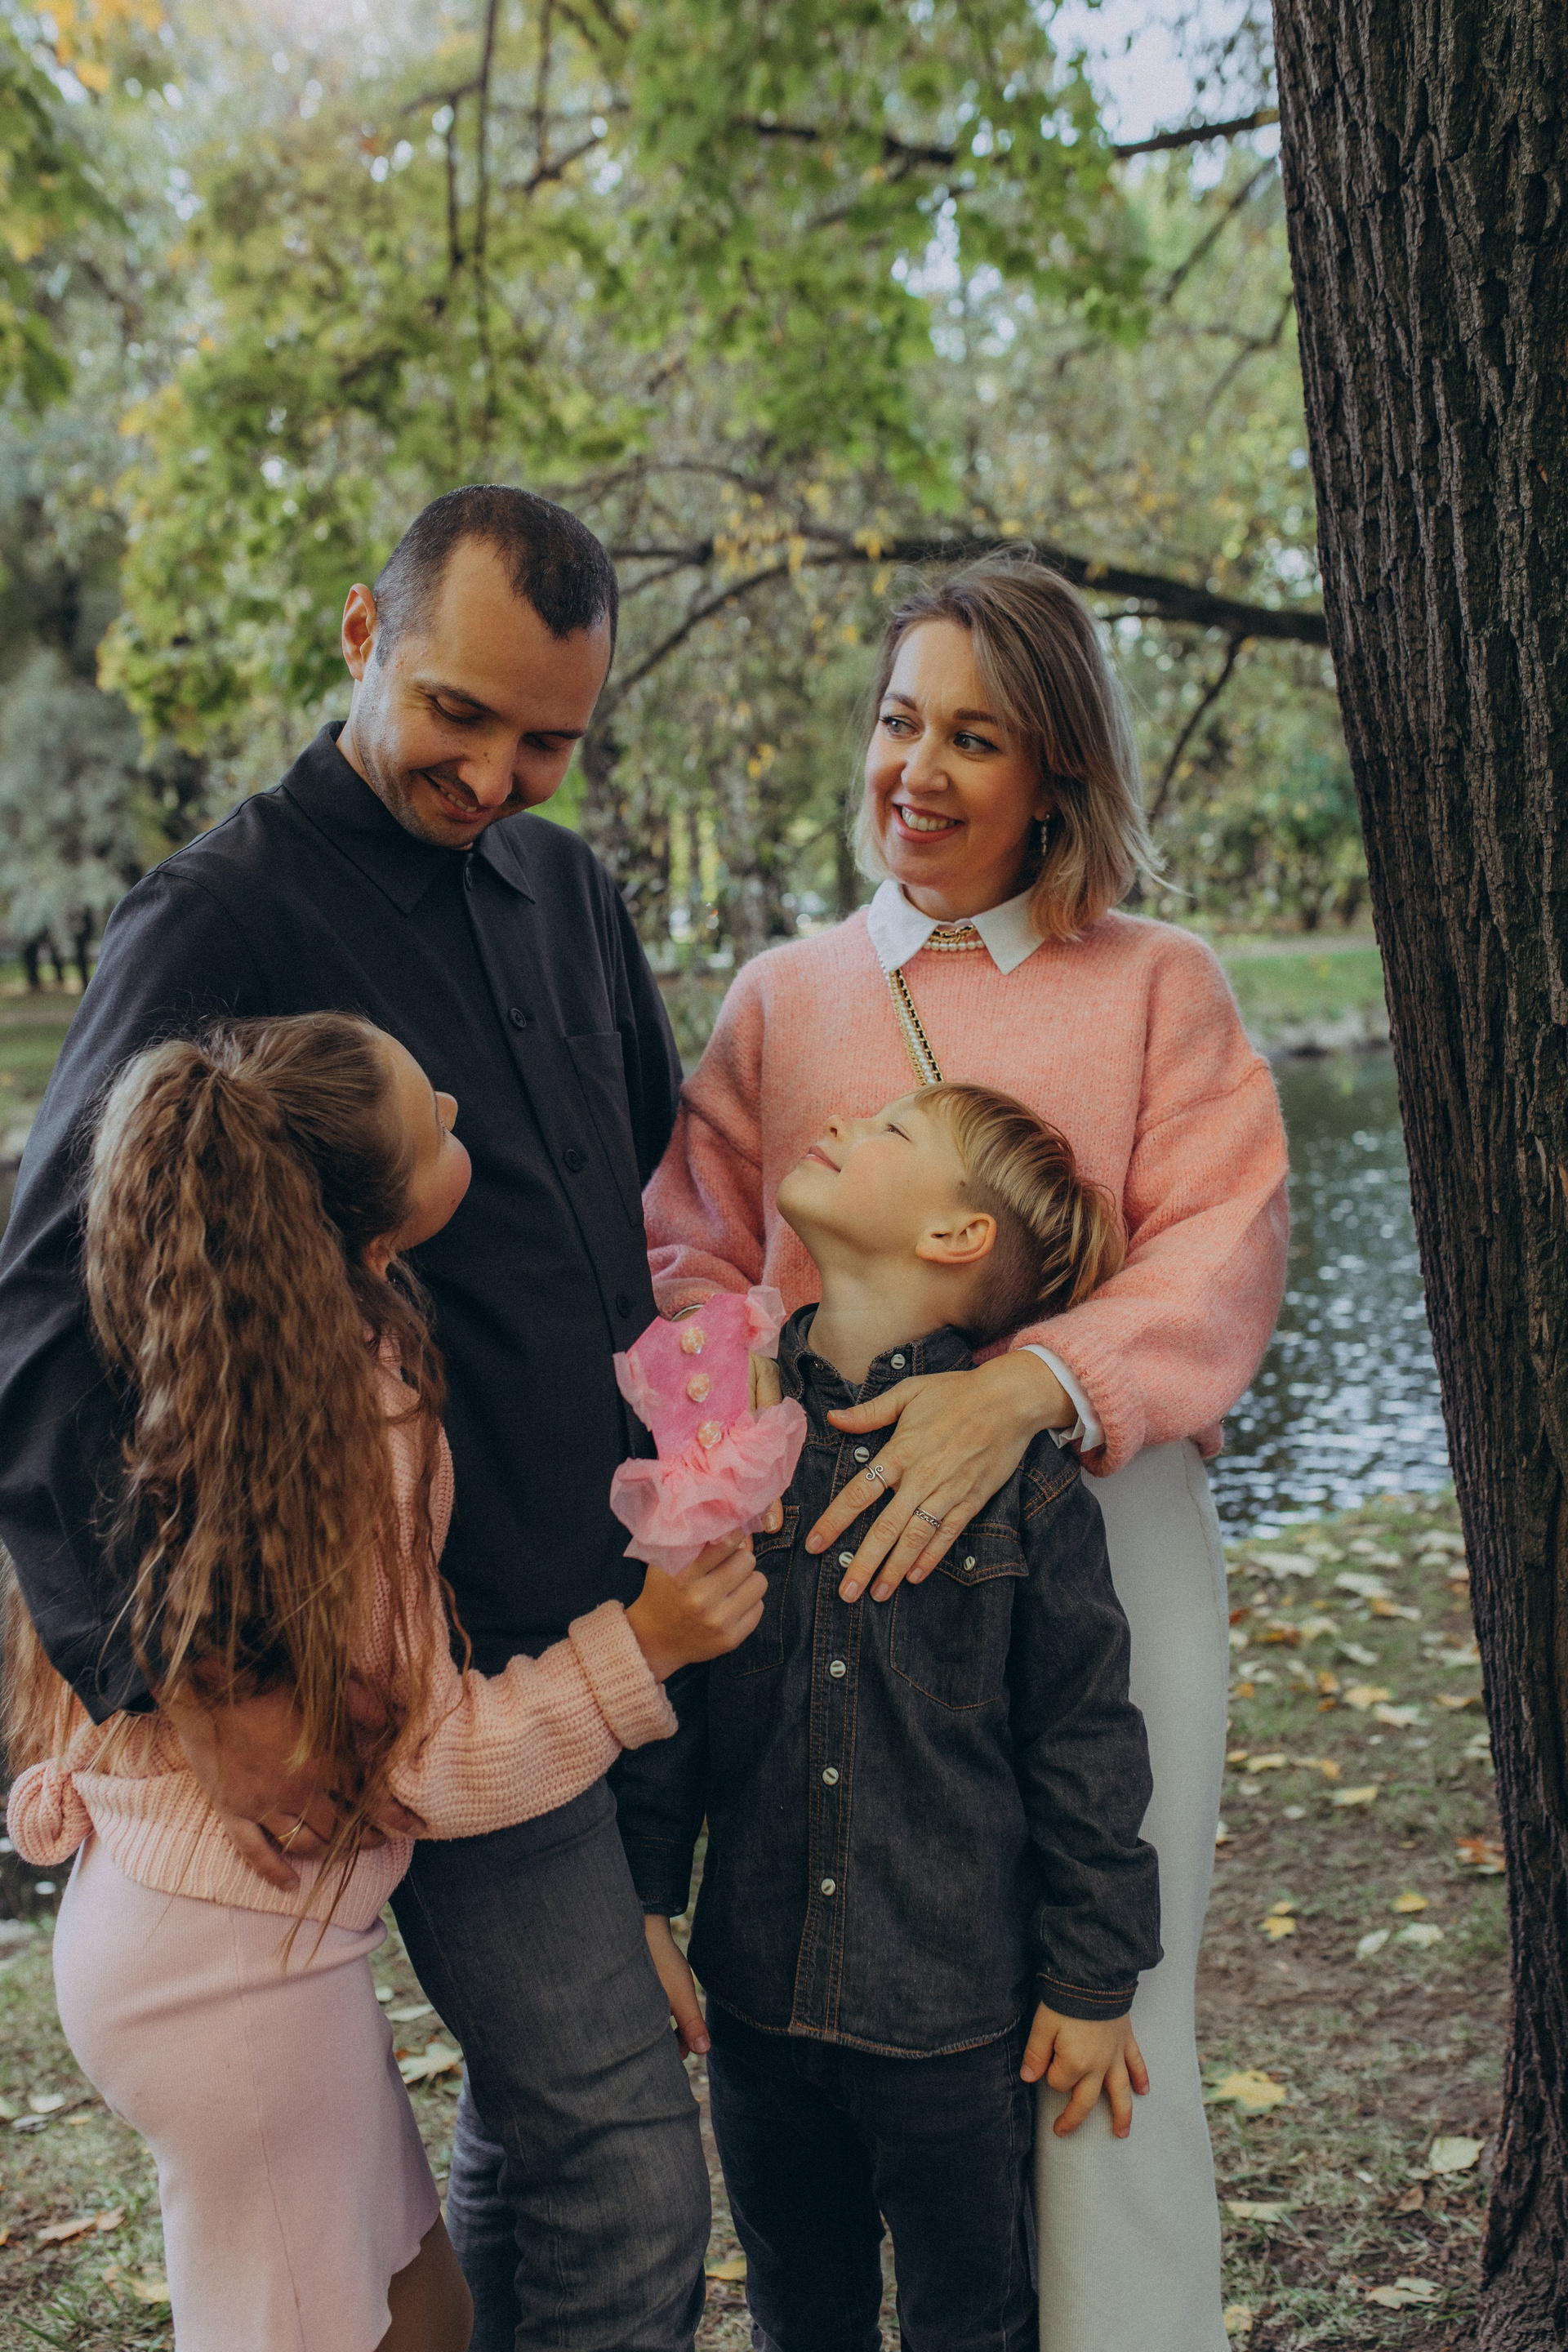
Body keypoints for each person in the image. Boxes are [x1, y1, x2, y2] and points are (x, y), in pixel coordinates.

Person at [0, 488, 710, 2350]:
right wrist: (181, 1682)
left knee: (546, 2149)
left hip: (603, 1637)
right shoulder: (218, 918)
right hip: (408, 1681)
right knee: (627, 2165)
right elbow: (39, 1321)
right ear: (359, 636)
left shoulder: (570, 893)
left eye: (545, 740)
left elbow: (639, 1202)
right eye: (458, 713)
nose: (493, 775)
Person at [643, 554, 1291, 2351]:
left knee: (1107, 2003)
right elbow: (693, 1253)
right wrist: (736, 1458)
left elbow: (1226, 1243)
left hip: (1105, 1530)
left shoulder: (1158, 986)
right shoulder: (783, 996)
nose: (916, 771)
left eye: (976, 738)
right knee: (861, 1984)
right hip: (839, 1565)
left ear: (1057, 771)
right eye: (899, 721)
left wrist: (1026, 1389)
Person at [4, 1014, 767, 2352]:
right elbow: (414, 1760)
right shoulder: (356, 1425)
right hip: (228, 1978)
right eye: (436, 1126)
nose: (457, 1107)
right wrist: (643, 1648)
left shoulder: (225, 1355)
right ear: (371, 1235)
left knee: (424, 2309)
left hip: (218, 1943)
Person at [622, 1081, 1160, 2352]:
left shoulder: (1024, 1488)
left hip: (953, 2029)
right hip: (757, 2010)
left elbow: (1084, 1741)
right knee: (800, 2317)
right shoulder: (730, 1436)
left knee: (973, 2322)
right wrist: (644, 1901)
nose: (848, 1125)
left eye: (894, 1132)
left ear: (955, 1238)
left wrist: (1094, 1978)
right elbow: (675, 1695)